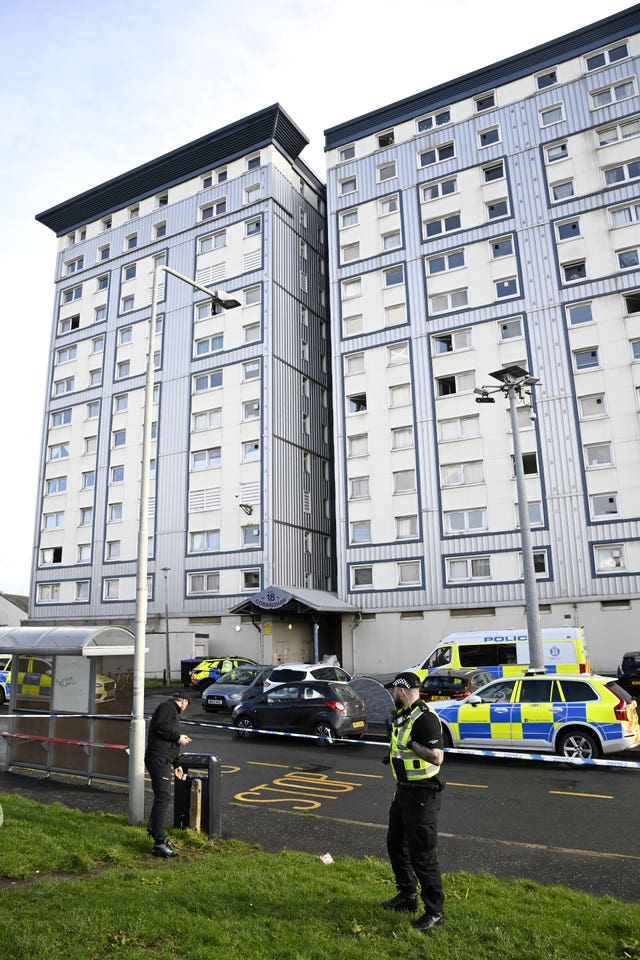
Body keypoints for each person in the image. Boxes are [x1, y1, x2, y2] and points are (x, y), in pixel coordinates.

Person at [382, 671, 446, 933]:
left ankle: (435, 912)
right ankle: (408, 897)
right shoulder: (404, 716)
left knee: (422, 855)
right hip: (404, 792)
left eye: (394, 691)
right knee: (395, 844)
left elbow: (437, 757)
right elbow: (399, 749)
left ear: (402, 691)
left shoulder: (426, 719)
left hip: (422, 795)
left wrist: (411, 744)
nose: (392, 695)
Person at [144, 694, 192, 858]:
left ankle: (153, 829)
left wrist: (176, 764)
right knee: (163, 797)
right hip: (158, 758)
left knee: (161, 796)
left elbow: (169, 742)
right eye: (187, 704)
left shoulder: (172, 712)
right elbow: (160, 726)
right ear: (184, 702)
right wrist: (178, 737)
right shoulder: (167, 707)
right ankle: (159, 842)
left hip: (163, 758)